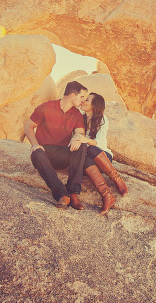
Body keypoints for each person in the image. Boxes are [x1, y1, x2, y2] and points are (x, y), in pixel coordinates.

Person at [25, 81, 90, 210]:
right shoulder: (46, 107)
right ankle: (62, 194)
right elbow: (29, 127)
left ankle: (73, 192)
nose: (83, 101)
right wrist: (35, 145)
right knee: (36, 153)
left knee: (82, 145)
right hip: (44, 153)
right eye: (81, 97)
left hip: (62, 154)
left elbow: (80, 134)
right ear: (72, 95)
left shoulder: (77, 115)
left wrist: (78, 138)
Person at [71, 92, 128, 214]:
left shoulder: (102, 119)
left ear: (94, 105)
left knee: (91, 148)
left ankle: (117, 179)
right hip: (89, 164)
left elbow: (99, 143)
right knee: (85, 158)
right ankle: (107, 196)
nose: (83, 101)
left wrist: (85, 140)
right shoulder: (80, 119)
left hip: (103, 158)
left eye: (87, 100)